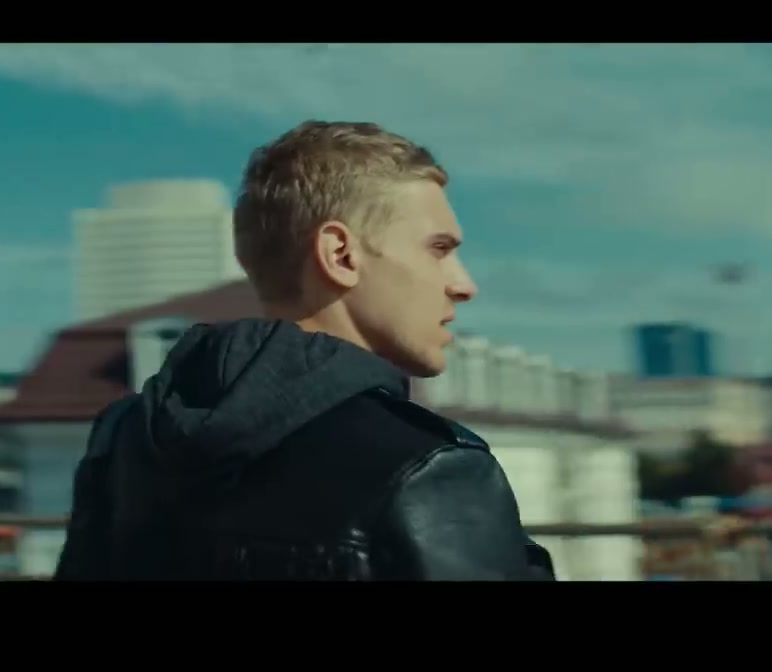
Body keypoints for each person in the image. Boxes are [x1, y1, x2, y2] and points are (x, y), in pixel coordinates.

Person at [54, 120, 555, 581]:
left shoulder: (126, 437)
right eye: (438, 249)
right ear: (341, 255)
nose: (463, 284)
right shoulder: (431, 467)